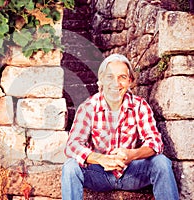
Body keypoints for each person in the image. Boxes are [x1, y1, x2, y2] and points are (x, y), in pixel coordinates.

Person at [61, 54, 179, 200]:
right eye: (110, 77)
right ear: (102, 80)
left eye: (122, 77)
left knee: (161, 162)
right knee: (70, 167)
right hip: (99, 174)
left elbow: (155, 142)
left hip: (132, 173)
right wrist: (100, 159)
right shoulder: (88, 107)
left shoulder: (139, 106)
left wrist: (132, 155)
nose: (116, 83)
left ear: (130, 81)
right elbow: (72, 145)